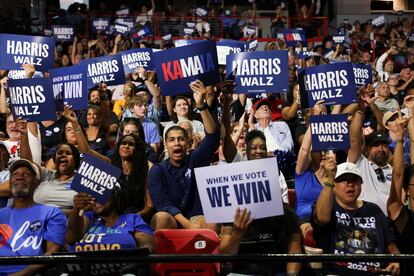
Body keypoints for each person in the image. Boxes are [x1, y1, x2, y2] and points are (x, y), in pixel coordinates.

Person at [149, 80, 220, 231]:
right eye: (172, 140)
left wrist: (201, 105)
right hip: (173, 218)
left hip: (197, 217)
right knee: (160, 218)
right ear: (166, 145)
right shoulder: (157, 170)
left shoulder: (196, 159)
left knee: (212, 222)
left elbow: (213, 137)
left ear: (188, 143)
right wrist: (188, 226)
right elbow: (163, 204)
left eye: (181, 139)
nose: (177, 143)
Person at [312, 162, 400, 275]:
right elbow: (322, 219)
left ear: (360, 185)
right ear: (334, 185)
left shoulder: (374, 210)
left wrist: (395, 261)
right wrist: (329, 179)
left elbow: (392, 247)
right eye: (344, 180)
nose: (350, 184)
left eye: (355, 180)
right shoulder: (328, 207)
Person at [0, 159, 67, 275]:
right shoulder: (1, 214)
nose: (20, 177)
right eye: (15, 174)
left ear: (36, 183)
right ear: (10, 182)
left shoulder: (52, 213)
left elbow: (52, 253)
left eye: (26, 174)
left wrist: (20, 275)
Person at [66, 188, 154, 274]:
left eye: (100, 195)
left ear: (115, 196)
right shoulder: (86, 218)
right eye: (91, 197)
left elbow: (146, 247)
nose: (94, 200)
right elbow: (72, 238)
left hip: (123, 272)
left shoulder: (132, 219)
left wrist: (133, 265)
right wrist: (78, 210)